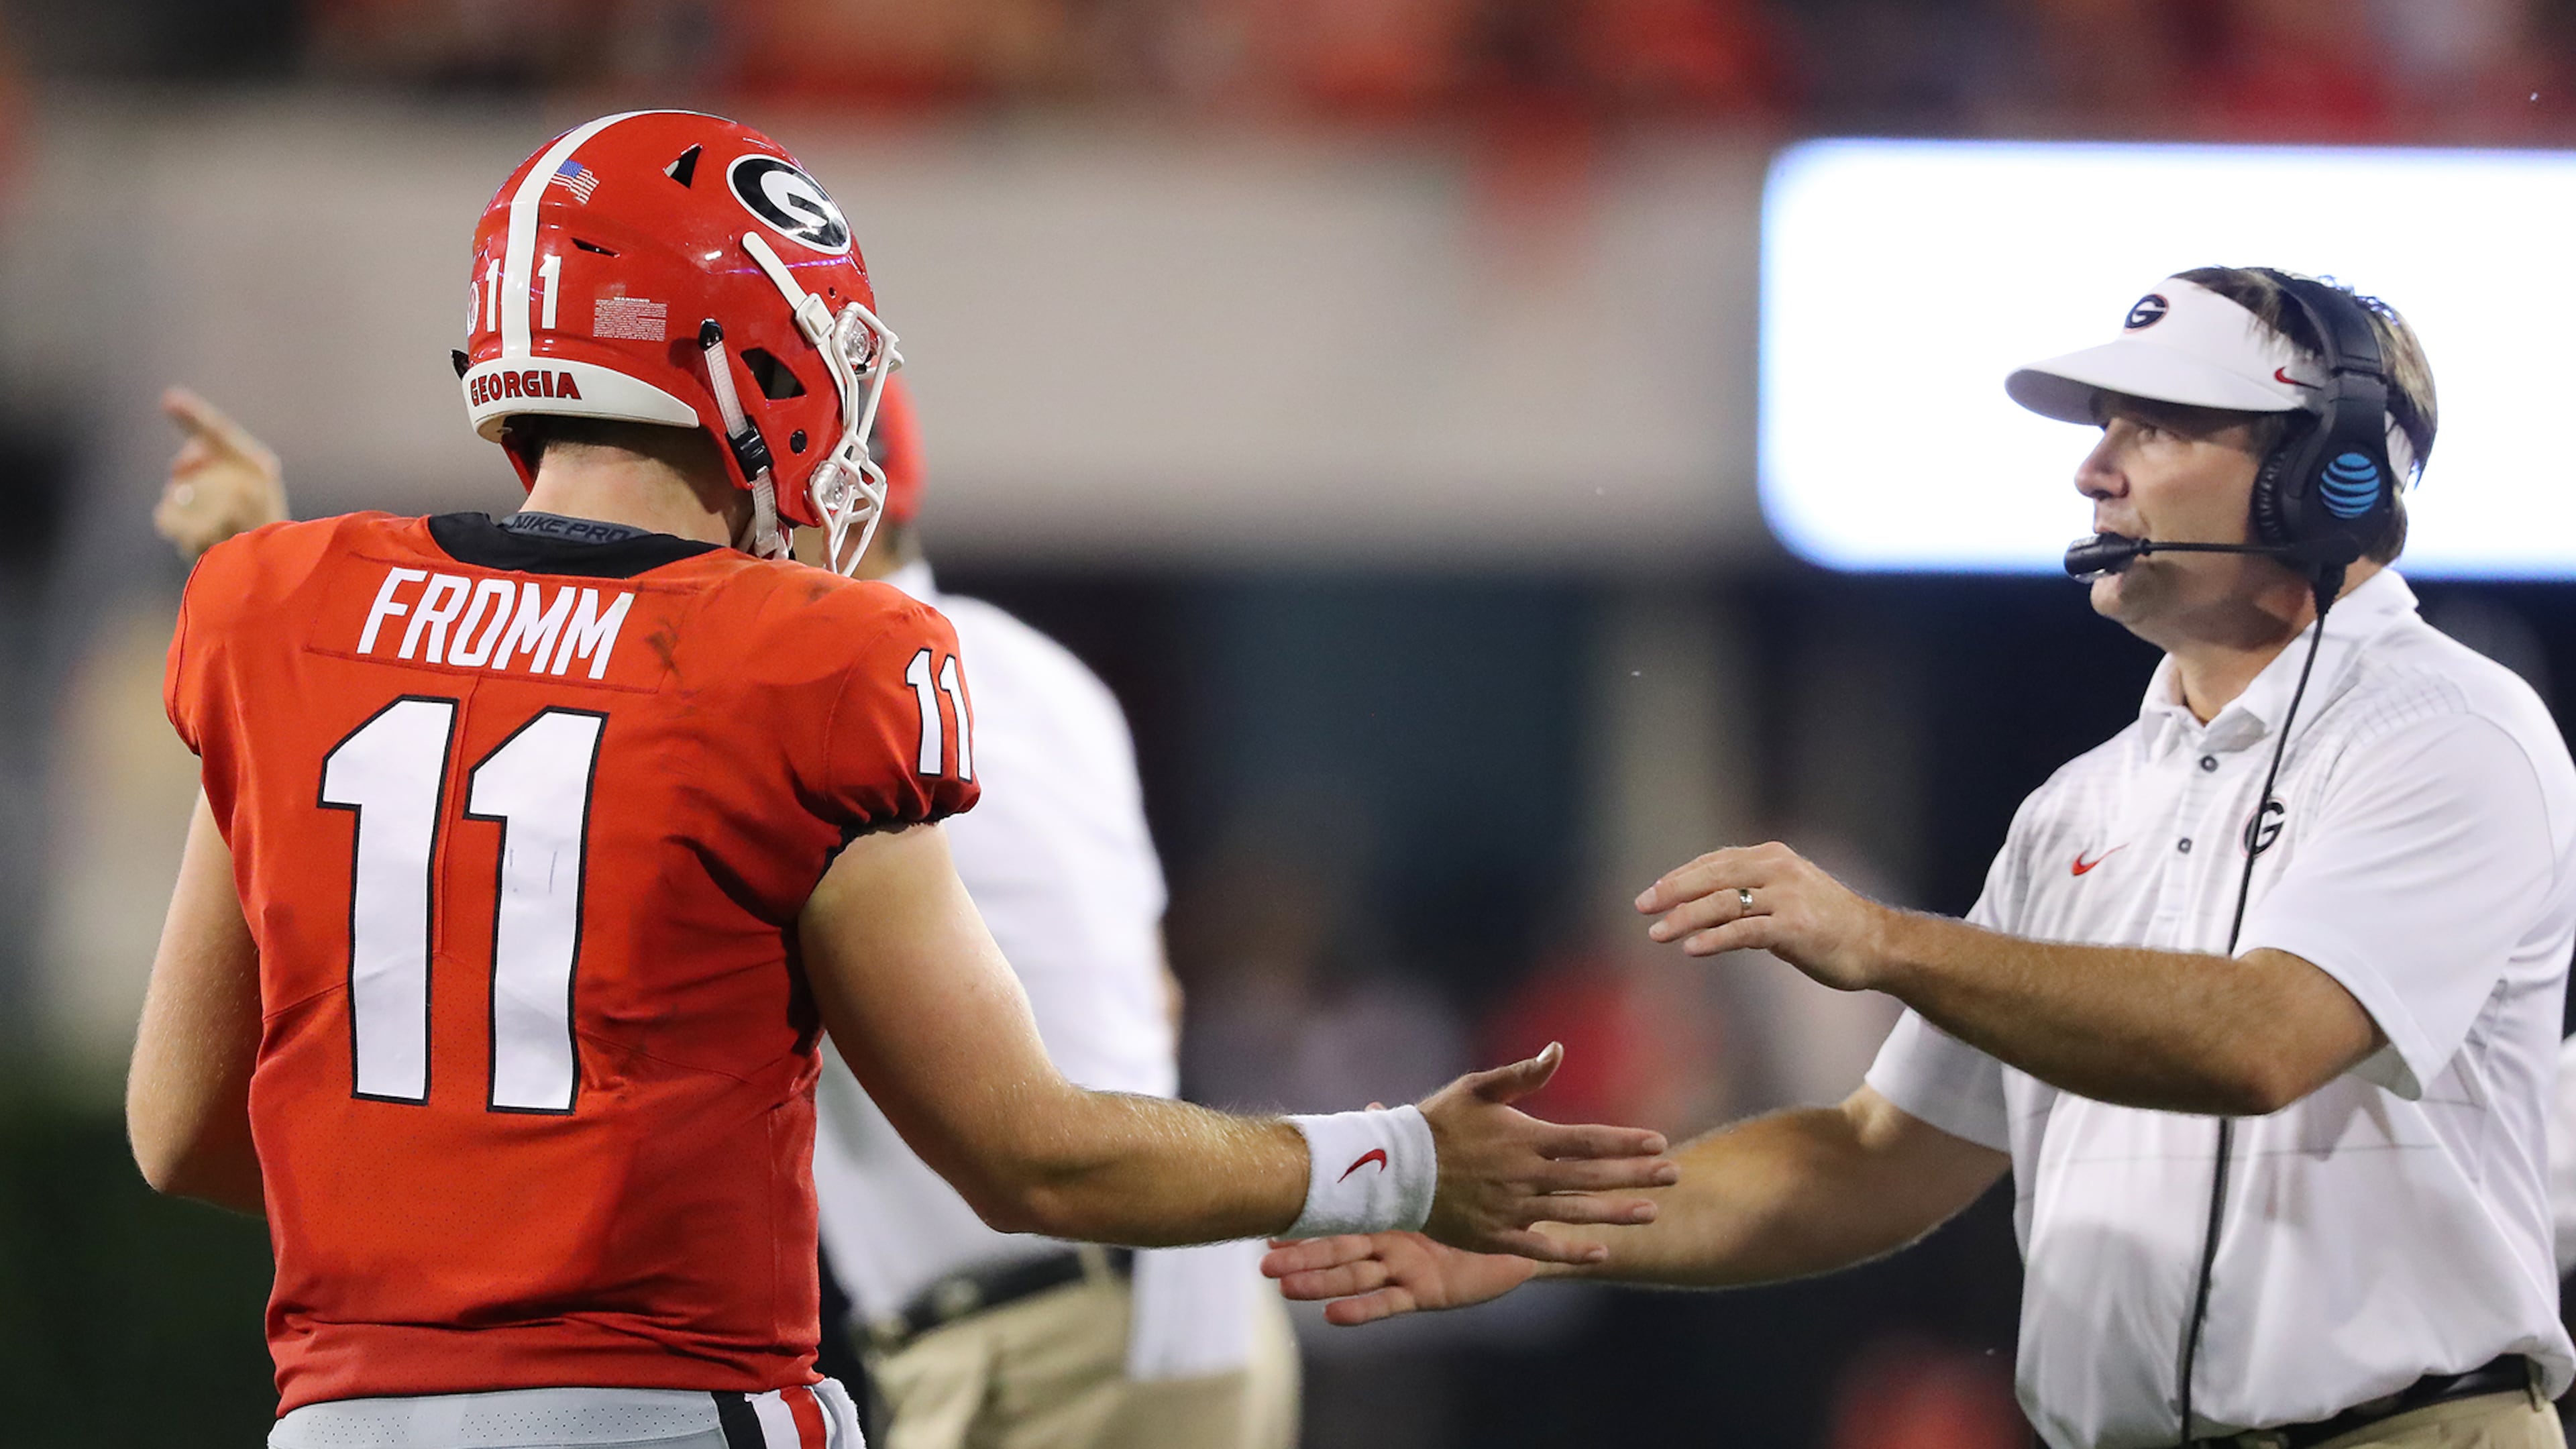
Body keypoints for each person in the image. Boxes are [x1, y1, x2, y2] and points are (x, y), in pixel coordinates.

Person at [125, 109, 1677, 1449]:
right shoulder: (813, 659)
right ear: (746, 365)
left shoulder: (273, 615)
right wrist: (1397, 1158)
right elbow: (1027, 1150)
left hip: (340, 1415)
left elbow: (183, 1129)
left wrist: (449, 1192)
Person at [1267, 268, 2576, 1449]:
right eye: (2101, 428)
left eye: (2155, 426)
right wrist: (1546, 1233)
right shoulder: (2083, 807)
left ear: (2322, 473)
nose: (2094, 471)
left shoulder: (2450, 733)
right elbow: (1876, 1157)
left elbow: (2264, 1042)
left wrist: (1886, 940)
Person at [154, 372, 1302, 1449]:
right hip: (1171, 1302)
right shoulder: (1037, 678)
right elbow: (1148, 996)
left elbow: (1007, 1139)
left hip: (1043, 1324)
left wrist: (294, 618)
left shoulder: (797, 688)